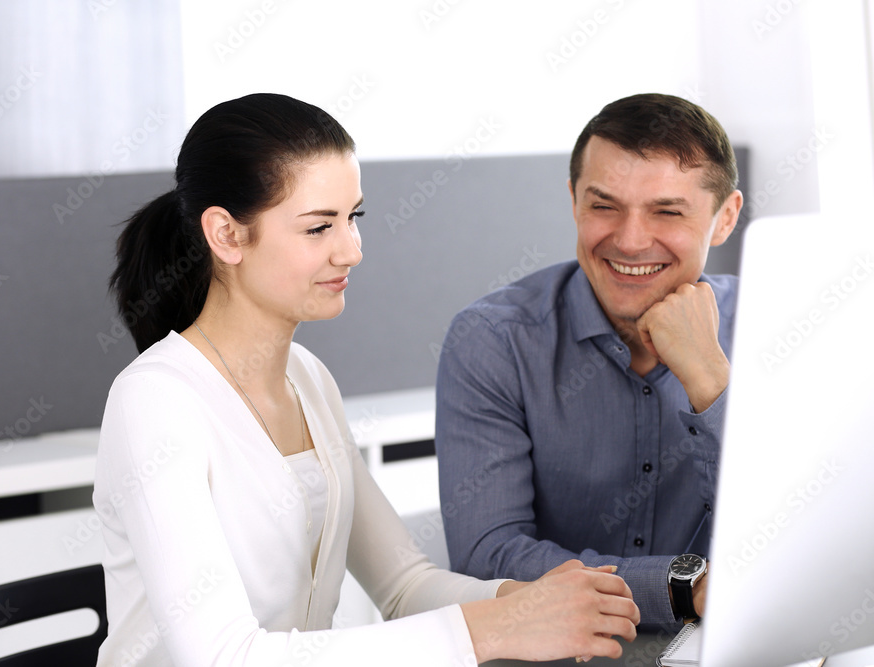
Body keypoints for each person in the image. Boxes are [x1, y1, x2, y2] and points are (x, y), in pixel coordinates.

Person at [93, 92, 640, 666]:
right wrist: (489, 630)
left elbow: (404, 586)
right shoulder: (155, 400)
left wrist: (527, 604)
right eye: (318, 228)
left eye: (353, 218)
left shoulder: (308, 380)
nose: (351, 250)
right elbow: (224, 658)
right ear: (227, 235)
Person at [435, 93, 744, 630]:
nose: (628, 240)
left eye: (667, 211)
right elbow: (489, 555)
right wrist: (681, 588)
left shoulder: (772, 328)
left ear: (724, 219)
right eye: (604, 206)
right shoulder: (494, 340)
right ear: (574, 199)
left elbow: (796, 536)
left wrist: (711, 382)